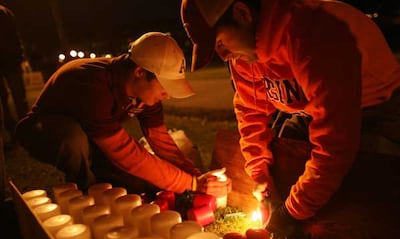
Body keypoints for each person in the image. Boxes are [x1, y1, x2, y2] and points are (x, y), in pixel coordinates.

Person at [181, 0, 400, 237]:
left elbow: (335, 142)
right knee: (284, 170)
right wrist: (262, 179)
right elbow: (251, 114)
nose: (225, 57)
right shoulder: (243, 53)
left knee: (367, 196)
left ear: (242, 13)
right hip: (308, 111)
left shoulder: (315, 31)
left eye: (219, 42)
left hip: (372, 107)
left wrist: (292, 212)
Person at [15, 32, 230, 201]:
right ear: (139, 72)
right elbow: (126, 153)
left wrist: (197, 176)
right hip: (44, 130)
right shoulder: (93, 85)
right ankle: (84, 196)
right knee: (73, 139)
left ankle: (98, 184)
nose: (168, 95)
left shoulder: (146, 96)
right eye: (165, 86)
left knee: (135, 186)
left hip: (93, 137)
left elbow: (162, 142)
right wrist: (191, 184)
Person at [0, 4, 29, 145]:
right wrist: (21, 56)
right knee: (18, 97)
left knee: (5, 99)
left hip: (11, 59)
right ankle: (24, 131)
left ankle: (15, 132)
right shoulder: (6, 12)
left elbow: (15, 36)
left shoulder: (5, 13)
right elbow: (15, 36)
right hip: (12, 59)